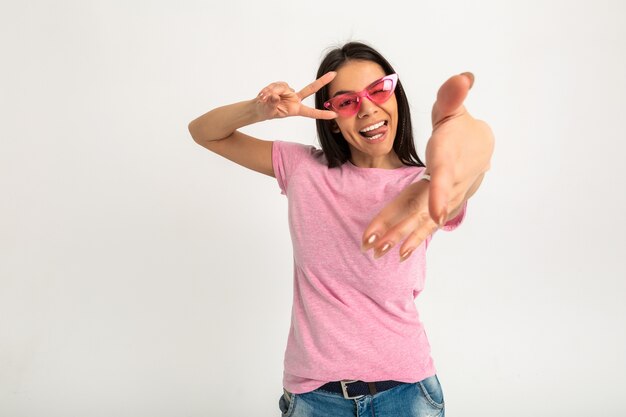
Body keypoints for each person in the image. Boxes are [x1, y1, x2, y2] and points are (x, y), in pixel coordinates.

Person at [188, 41, 494, 417]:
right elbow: (203, 132)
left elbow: (467, 175)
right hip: (316, 396)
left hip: (408, 393)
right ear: (329, 114)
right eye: (347, 101)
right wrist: (259, 110)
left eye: (379, 90)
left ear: (396, 94)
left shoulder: (426, 184)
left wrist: (477, 147)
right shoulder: (302, 168)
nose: (367, 108)